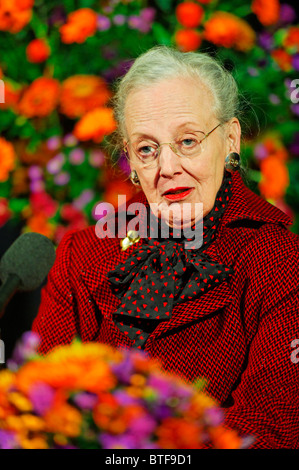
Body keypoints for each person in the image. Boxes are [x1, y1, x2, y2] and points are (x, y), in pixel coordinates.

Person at [32, 46, 299, 448]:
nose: (168, 166)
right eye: (147, 148)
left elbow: (272, 428)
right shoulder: (82, 255)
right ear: (132, 162)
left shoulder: (279, 260)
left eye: (188, 140)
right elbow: (39, 405)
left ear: (230, 139)